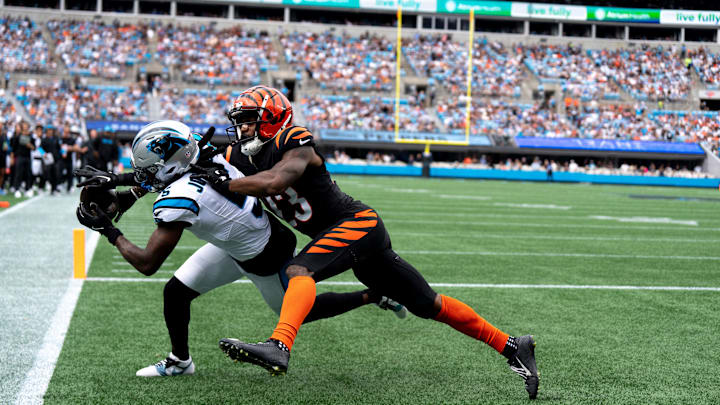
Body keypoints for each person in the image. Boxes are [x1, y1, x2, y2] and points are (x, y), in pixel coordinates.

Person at [192, 86, 539, 399]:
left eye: (249, 121)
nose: (242, 130)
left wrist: (226, 183)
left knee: (298, 270)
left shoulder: (294, 140)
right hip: (350, 239)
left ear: (272, 119)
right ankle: (512, 345)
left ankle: (279, 345)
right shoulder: (239, 154)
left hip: (357, 223)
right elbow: (201, 171)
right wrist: (152, 178)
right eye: (239, 123)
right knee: (427, 304)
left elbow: (274, 181)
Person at [75, 120, 407, 378]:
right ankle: (180, 361)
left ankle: (374, 295)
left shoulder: (180, 198)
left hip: (261, 253)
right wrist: (116, 182)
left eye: (148, 168)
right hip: (239, 240)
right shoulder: (205, 156)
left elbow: (147, 262)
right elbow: (165, 174)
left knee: (298, 312)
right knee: (175, 293)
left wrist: (109, 230)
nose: (144, 174)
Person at [10, 121, 35, 198]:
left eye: (26, 125)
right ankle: (17, 189)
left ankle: (27, 189)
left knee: (28, 174)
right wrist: (12, 158)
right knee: (18, 173)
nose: (25, 126)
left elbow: (34, 148)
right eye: (23, 125)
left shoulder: (31, 137)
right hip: (20, 157)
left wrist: (29, 145)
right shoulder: (17, 137)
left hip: (27, 157)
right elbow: (13, 149)